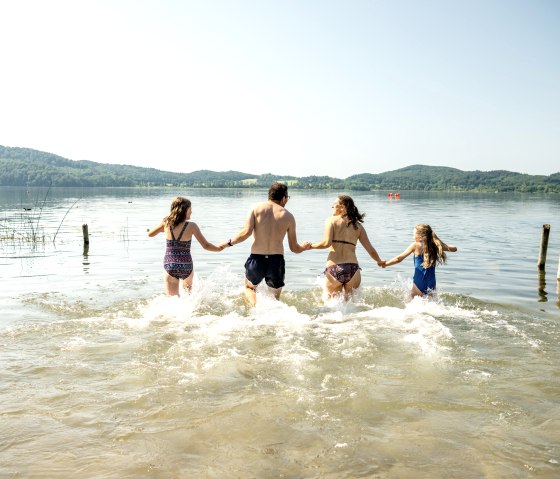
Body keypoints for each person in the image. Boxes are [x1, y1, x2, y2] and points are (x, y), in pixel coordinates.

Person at [220, 183, 311, 306]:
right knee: (275, 299)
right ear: (284, 198)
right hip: (276, 261)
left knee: (249, 288)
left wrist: (227, 244)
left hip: (257, 259)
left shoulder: (255, 208)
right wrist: (304, 247)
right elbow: (294, 248)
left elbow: (245, 233)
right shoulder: (289, 216)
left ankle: (255, 308)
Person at [310, 195, 384, 300]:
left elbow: (326, 243)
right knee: (351, 306)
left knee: (331, 307)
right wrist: (380, 261)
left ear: (342, 207)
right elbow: (371, 250)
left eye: (334, 205)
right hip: (353, 270)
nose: (332, 206)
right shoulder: (358, 226)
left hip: (334, 268)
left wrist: (310, 246)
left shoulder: (331, 220)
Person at [148, 196, 223, 296]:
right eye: (190, 209)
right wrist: (220, 248)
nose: (191, 212)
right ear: (183, 210)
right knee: (189, 298)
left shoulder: (166, 223)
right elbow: (206, 245)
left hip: (170, 264)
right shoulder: (192, 226)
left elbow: (150, 234)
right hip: (186, 265)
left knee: (172, 300)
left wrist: (162, 229)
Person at [383, 223, 457, 298]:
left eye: (413, 234)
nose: (413, 236)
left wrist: (385, 264)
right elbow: (454, 249)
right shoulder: (435, 246)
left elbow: (399, 259)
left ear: (420, 236)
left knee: (411, 307)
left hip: (418, 284)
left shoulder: (415, 245)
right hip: (431, 284)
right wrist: (438, 243)